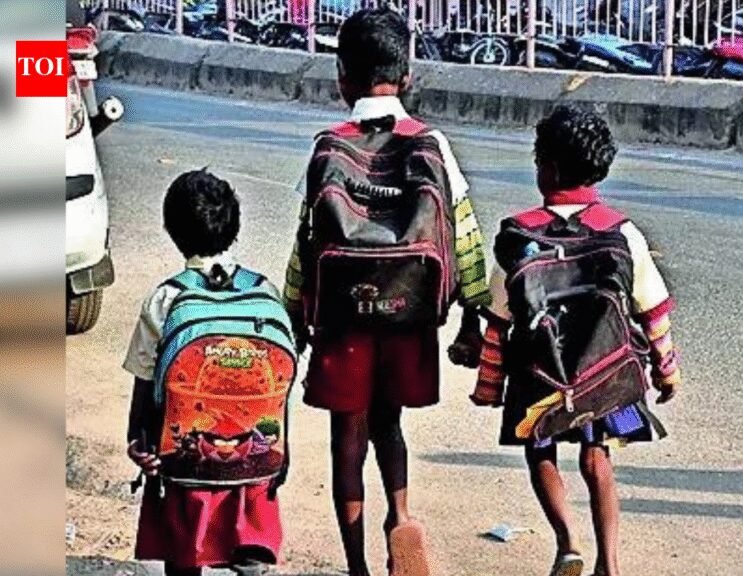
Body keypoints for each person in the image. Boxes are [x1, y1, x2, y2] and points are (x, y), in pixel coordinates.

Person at [281, 8, 490, 576]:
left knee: (346, 437)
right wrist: (474, 313)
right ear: (408, 76)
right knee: (388, 423)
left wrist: (294, 310)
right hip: (409, 312)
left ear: (341, 78)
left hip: (343, 318)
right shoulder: (431, 144)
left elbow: (306, 241)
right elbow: (464, 234)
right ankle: (400, 517)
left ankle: (357, 567)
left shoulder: (330, 147)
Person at [471, 105, 681, 576]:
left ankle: (567, 542)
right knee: (597, 456)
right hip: (603, 371)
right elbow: (653, 312)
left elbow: (498, 324)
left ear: (546, 167)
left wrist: (488, 387)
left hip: (538, 373)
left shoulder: (519, 234)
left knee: (539, 450)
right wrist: (667, 372)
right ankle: (610, 562)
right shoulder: (621, 231)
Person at [123, 170, 285, 576]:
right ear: (234, 228)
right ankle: (250, 558)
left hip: (185, 462)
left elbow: (145, 377)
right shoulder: (265, 292)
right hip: (255, 457)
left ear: (172, 230)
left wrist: (138, 438)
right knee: (251, 540)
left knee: (185, 552)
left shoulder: (166, 298)